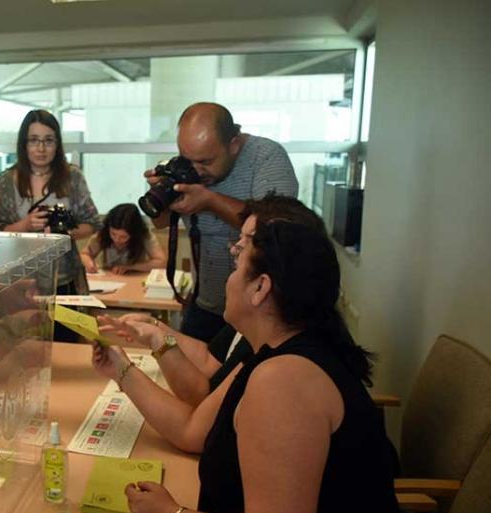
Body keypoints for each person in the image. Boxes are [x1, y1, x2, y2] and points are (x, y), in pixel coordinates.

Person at [92, 203, 407, 513]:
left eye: (238, 265)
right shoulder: (273, 351)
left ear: (260, 288)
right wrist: (121, 367)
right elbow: (195, 428)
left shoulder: (285, 380)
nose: (229, 274)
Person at [100, 193, 326, 406]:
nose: (233, 250)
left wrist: (131, 366)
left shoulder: (278, 365)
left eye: (245, 243)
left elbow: (195, 424)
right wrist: (155, 327)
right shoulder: (255, 328)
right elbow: (209, 359)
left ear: (261, 286)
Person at [146, 102, 297, 342]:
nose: (196, 170)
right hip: (207, 305)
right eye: (188, 159)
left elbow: (276, 227)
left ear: (234, 145)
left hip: (260, 312)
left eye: (205, 162)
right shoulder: (189, 166)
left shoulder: (266, 157)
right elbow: (161, 224)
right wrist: (161, 196)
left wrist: (209, 200)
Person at [0, 109, 101, 341]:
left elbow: (92, 223)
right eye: (34, 140)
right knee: (24, 351)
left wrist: (63, 233)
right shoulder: (7, 181)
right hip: (20, 284)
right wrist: (26, 224)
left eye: (48, 141)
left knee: (67, 347)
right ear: (24, 144)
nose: (41, 149)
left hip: (65, 281)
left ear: (57, 145)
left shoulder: (73, 177)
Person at [80, 203, 166, 274]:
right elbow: (85, 254)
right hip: (109, 278)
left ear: (134, 234)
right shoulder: (103, 232)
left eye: (123, 237)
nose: (117, 239)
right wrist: (89, 263)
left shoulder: (144, 235)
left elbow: (161, 262)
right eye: (113, 234)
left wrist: (130, 267)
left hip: (135, 279)